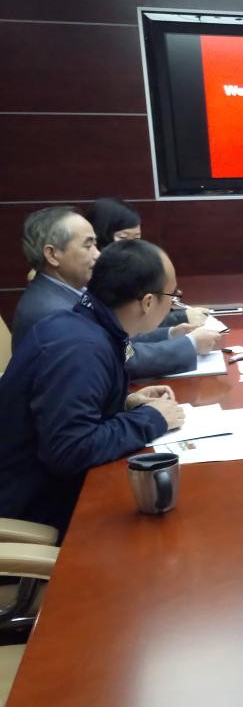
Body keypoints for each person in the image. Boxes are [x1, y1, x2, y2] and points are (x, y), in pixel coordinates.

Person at [0, 239, 187, 536]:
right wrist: (152, 419)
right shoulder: (80, 348)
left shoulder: (86, 325)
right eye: (172, 296)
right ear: (148, 302)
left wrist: (125, 402)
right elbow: (69, 450)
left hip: (53, 487)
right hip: (36, 509)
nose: (173, 303)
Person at [12, 206, 221, 378]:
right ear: (53, 255)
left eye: (96, 244)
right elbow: (123, 358)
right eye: (88, 246)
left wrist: (171, 334)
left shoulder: (71, 291)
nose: (98, 255)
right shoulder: (52, 312)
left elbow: (118, 339)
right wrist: (190, 345)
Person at [86, 197, 211, 328]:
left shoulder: (135, 264)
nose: (132, 246)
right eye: (123, 238)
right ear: (100, 236)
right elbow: (128, 328)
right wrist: (181, 318)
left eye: (136, 238)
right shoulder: (96, 277)